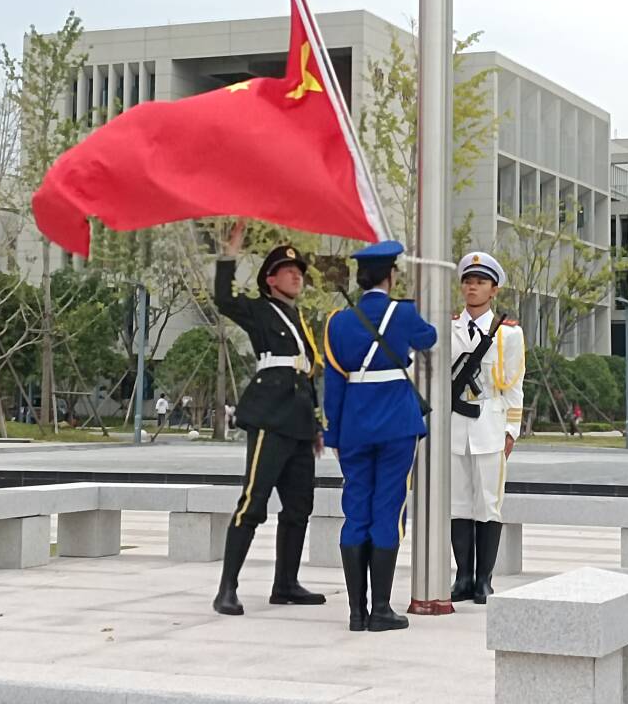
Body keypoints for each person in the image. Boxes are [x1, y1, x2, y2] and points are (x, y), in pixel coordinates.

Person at [211, 220, 325, 616]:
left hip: (299, 421)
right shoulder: (260, 310)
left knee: (299, 506)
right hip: (270, 415)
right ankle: (227, 588)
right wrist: (230, 253)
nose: (296, 276)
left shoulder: (300, 319)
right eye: (288, 271)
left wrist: (315, 424)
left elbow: (307, 373)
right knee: (253, 501)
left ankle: (286, 584)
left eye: (299, 272)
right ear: (270, 279)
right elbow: (223, 299)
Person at [323, 240, 436, 632]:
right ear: (391, 275)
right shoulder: (402, 313)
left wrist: (334, 435)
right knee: (388, 509)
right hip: (396, 426)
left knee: (356, 510)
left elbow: (333, 385)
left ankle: (356, 612)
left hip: (354, 426)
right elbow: (429, 338)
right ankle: (381, 609)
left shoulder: (338, 322)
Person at [451, 251, 525, 606]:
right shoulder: (448, 327)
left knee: (489, 503)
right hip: (454, 425)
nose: (472, 287)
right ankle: (462, 577)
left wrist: (511, 430)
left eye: (480, 282)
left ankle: (484, 580)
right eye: (468, 281)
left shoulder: (508, 334)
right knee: (458, 503)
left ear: (493, 290)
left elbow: (514, 385)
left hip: (490, 422)